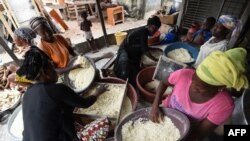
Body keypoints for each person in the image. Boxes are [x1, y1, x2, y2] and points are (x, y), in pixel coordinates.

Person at [150, 48, 249, 141]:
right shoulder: (185, 74)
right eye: (193, 79)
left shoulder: (224, 105)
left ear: (220, 88)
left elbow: (200, 133)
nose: (192, 86)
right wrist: (155, 105)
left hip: (190, 126)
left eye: (199, 88)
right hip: (165, 111)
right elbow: (164, 82)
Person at [17, 46, 108, 141]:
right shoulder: (57, 89)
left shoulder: (27, 94)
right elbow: (84, 104)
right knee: (103, 124)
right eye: (52, 67)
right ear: (45, 72)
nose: (56, 71)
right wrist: (98, 92)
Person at [113, 15, 161, 86]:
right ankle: (122, 82)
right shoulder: (143, 32)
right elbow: (145, 50)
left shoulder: (145, 31)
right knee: (124, 64)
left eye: (156, 30)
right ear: (150, 26)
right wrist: (154, 59)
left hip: (133, 47)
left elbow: (144, 46)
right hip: (125, 48)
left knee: (136, 69)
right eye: (155, 29)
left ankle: (132, 80)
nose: (155, 32)